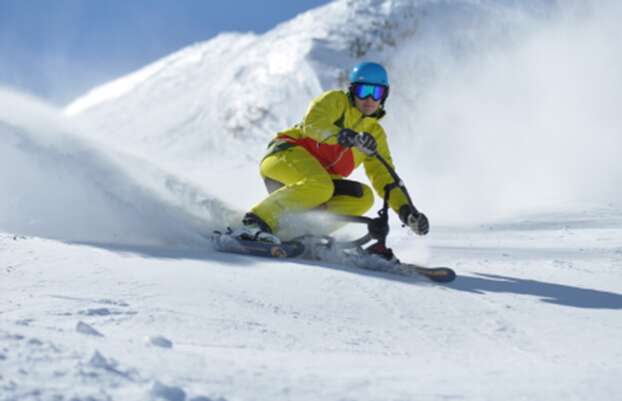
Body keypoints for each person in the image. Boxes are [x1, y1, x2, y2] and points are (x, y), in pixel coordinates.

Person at [232, 61, 429, 247]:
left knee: (364, 197)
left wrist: (406, 211)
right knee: (321, 186)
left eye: (376, 93)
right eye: (363, 91)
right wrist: (344, 135)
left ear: (384, 96)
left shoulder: (375, 133)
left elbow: (384, 176)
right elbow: (313, 125)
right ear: (353, 91)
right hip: (284, 156)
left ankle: (304, 233)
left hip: (316, 183)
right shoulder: (336, 101)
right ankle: (255, 222)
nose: (369, 99)